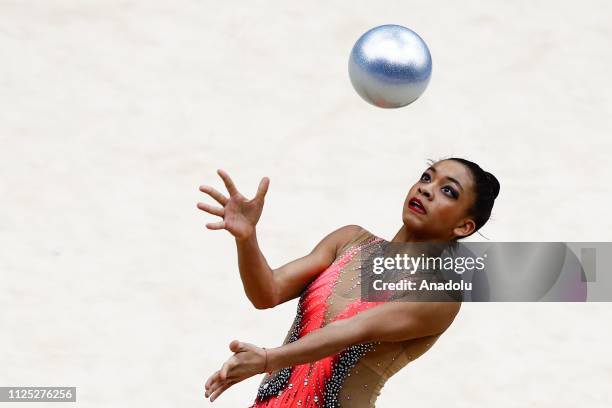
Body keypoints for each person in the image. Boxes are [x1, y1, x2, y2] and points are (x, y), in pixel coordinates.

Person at [198, 158, 500, 407]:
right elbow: (268, 292)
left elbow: (350, 330)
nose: (427, 190)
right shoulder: (349, 241)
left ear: (464, 225)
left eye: (448, 191)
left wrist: (267, 359)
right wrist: (247, 239)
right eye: (426, 177)